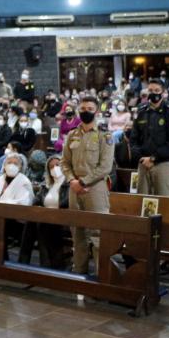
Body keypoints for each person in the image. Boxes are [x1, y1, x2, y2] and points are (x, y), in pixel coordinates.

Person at [60, 96, 114, 275]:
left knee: (99, 235)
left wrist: (83, 181)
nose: (86, 112)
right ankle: (79, 275)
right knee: (78, 234)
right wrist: (72, 180)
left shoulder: (104, 135)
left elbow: (105, 167)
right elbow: (65, 163)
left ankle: (102, 277)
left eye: (90, 108)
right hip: (74, 188)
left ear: (96, 111)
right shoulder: (72, 135)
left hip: (95, 188)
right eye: (82, 108)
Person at [131, 79, 169, 196]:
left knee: (165, 203)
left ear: (163, 92)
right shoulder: (141, 110)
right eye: (151, 90)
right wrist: (141, 158)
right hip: (143, 164)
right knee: (143, 203)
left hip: (162, 164)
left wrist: (153, 158)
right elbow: (133, 139)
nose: (154, 93)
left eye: (157, 90)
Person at [28, 155, 70, 270]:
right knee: (37, 225)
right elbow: (36, 201)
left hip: (63, 220)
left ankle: (55, 266)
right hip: (46, 219)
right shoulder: (45, 185)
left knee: (46, 228)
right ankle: (46, 265)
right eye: (51, 167)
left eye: (57, 165)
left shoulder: (69, 184)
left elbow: (68, 203)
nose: (54, 169)